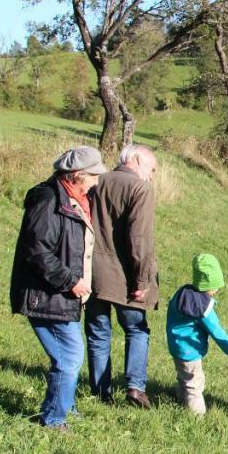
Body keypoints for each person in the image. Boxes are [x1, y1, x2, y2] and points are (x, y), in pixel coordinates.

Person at [9, 146, 105, 431]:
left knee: (69, 355)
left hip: (63, 297)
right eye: (93, 176)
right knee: (70, 357)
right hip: (47, 295)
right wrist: (70, 281)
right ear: (75, 176)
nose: (97, 181)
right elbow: (37, 251)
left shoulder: (76, 198)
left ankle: (66, 406)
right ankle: (53, 419)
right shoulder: (48, 201)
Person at [87, 143, 159, 407]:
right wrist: (141, 282)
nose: (151, 176)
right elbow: (139, 238)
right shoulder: (140, 188)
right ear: (136, 159)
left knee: (98, 332)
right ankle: (135, 387)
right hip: (125, 276)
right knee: (137, 330)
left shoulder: (96, 181)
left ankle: (100, 392)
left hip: (92, 273)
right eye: (151, 169)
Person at [165, 253, 228, 415]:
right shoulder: (204, 310)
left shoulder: (181, 293)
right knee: (195, 385)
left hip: (176, 347)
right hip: (192, 352)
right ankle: (196, 417)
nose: (217, 290)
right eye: (216, 286)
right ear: (209, 284)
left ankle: (181, 401)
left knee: (183, 378)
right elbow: (217, 331)